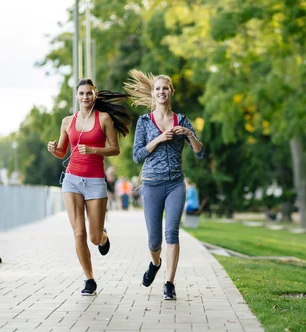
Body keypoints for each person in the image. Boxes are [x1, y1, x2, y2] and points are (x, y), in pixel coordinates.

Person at [47, 78, 132, 296]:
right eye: (82, 93)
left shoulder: (103, 119)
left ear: (94, 95)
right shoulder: (67, 121)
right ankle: (89, 279)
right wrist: (54, 148)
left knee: (93, 237)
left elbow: (115, 149)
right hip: (72, 180)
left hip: (95, 182)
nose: (85, 97)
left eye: (89, 93)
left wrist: (94, 151)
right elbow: (62, 153)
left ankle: (103, 236)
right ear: (76, 96)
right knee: (78, 233)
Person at [126, 69, 205, 300]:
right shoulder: (144, 122)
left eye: (165, 88)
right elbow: (137, 156)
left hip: (175, 184)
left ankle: (169, 284)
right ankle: (155, 263)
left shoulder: (181, 120)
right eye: (158, 88)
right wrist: (159, 138)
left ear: (171, 92)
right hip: (151, 184)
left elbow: (200, 153)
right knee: (154, 240)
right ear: (153, 93)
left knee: (172, 232)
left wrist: (189, 134)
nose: (162, 92)